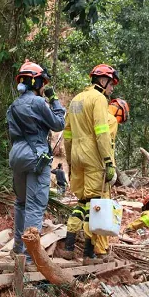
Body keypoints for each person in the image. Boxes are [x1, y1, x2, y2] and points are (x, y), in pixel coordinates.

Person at [58, 93, 128, 263]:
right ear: (120, 112)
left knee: (81, 203)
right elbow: (105, 141)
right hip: (94, 162)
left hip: (76, 157)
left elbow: (67, 136)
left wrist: (69, 162)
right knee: (96, 205)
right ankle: (91, 253)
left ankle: (68, 247)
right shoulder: (108, 118)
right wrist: (109, 165)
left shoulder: (76, 101)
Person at [7, 60, 66, 260]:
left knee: (21, 203)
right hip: (36, 156)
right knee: (35, 206)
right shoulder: (39, 102)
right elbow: (58, 124)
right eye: (42, 83)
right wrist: (55, 100)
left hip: (17, 154)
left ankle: (17, 250)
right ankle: (30, 256)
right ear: (36, 82)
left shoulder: (14, 105)